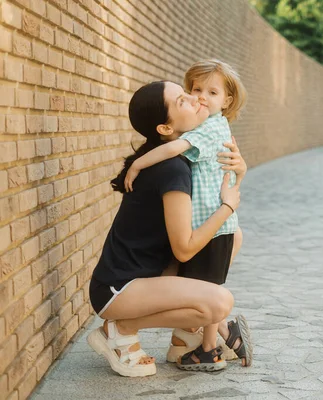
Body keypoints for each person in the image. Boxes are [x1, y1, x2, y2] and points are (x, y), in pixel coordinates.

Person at [87, 80, 251, 377]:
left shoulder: (182, 160)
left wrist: (240, 169)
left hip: (150, 278)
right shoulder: (171, 169)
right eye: (182, 101)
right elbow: (185, 248)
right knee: (219, 303)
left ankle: (185, 338)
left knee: (233, 236)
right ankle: (120, 329)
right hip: (119, 289)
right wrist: (228, 207)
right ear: (165, 129)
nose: (196, 98)